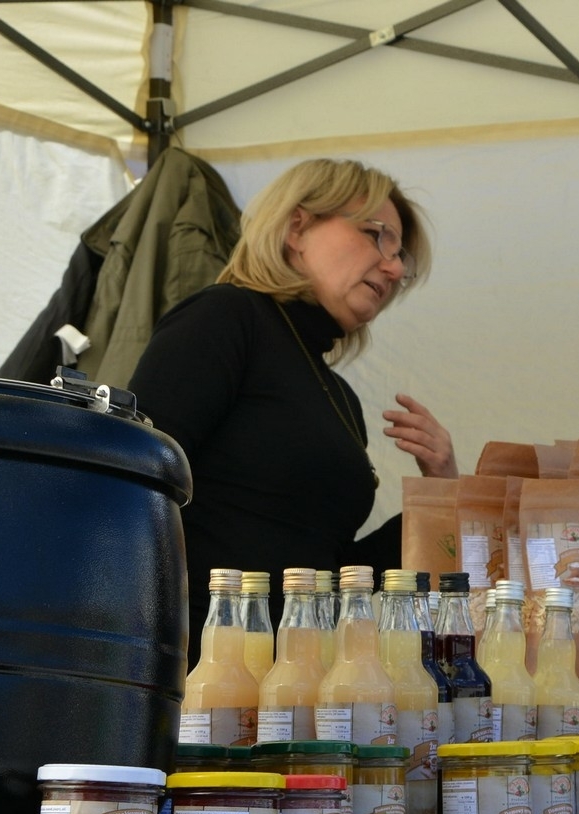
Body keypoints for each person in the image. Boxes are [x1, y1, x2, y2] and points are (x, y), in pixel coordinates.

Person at [128, 158, 458, 668]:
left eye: (401, 258)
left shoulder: (338, 395)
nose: (394, 270)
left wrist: (440, 494)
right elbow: (133, 485)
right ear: (297, 228)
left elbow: (329, 573)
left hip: (299, 674)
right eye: (378, 237)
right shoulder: (224, 318)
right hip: (201, 669)